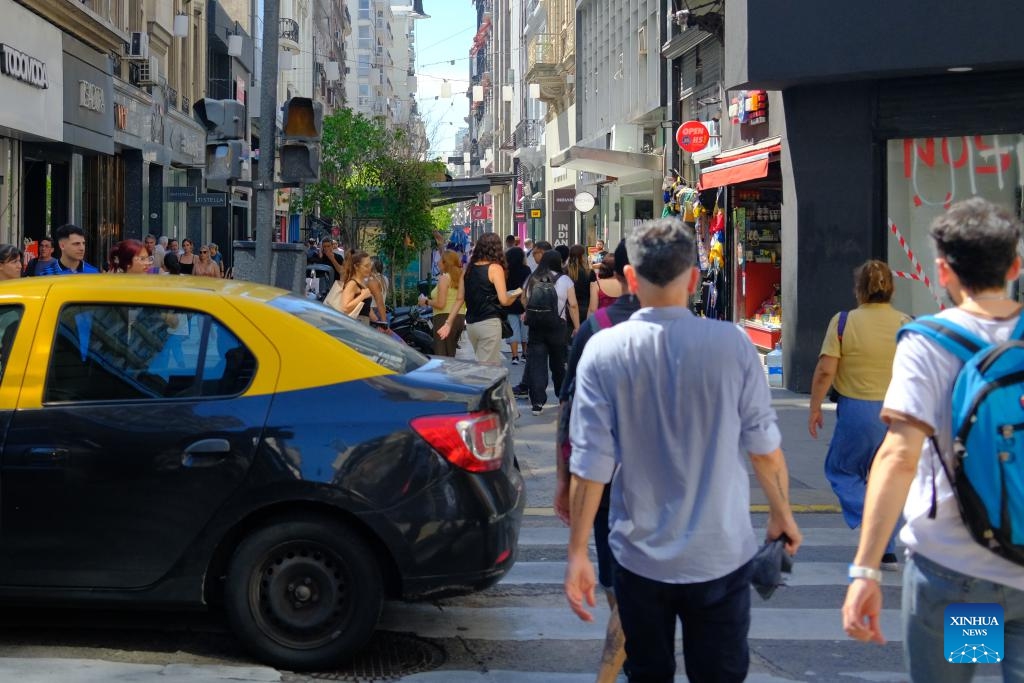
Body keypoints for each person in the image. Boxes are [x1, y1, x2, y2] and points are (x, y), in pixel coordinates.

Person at [564, 217, 801, 683]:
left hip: (638, 557)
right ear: (695, 278)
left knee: (648, 673)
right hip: (721, 556)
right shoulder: (731, 344)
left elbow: (590, 464)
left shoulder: (604, 350)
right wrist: (781, 513)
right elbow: (764, 449)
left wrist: (577, 553)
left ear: (631, 279)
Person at [842, 198, 1024, 681]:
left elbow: (900, 456)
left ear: (942, 271)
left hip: (963, 572)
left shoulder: (929, 342)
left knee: (963, 667)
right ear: (1015, 265)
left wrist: (865, 570)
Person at [556, 239, 638, 683]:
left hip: (606, 481)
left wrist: (563, 478)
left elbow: (568, 410)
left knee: (617, 579)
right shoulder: (703, 335)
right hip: (671, 490)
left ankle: (628, 657)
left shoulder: (597, 329)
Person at [808, 260, 910, 570]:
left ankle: (872, 516)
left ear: (858, 290)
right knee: (889, 479)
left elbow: (826, 369)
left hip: (858, 411)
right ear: (891, 288)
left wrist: (814, 407)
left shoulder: (843, 322)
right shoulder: (907, 323)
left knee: (842, 470)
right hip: (898, 413)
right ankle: (886, 550)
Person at [438, 232, 521, 363]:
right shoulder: (495, 268)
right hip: (489, 323)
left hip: (472, 325)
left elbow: (460, 299)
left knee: (489, 365)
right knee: (486, 370)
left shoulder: (468, 270)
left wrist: (448, 323)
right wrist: (516, 293)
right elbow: (504, 300)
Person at [521, 250, 579, 416]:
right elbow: (573, 305)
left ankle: (537, 403)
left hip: (536, 327)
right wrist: (576, 326)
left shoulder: (532, 278)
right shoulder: (565, 280)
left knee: (537, 364)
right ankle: (562, 397)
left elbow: (523, 299)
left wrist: (531, 312)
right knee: (558, 364)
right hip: (557, 326)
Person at [422, 250, 466, 357]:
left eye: (440, 260)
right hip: (459, 317)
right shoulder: (462, 276)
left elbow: (441, 304)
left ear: (445, 263)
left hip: (444, 318)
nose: (437, 262)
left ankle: (445, 374)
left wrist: (426, 301)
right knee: (450, 354)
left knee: (442, 356)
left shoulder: (444, 278)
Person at [503, 246, 532, 364]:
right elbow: (528, 286)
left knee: (513, 330)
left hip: (509, 302)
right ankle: (525, 354)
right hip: (523, 302)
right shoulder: (526, 269)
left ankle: (515, 356)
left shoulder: (505, 270)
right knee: (525, 329)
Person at [339, 250, 375, 324]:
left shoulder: (361, 283)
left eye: (370, 265)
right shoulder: (352, 284)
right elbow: (345, 307)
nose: (369, 268)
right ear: (356, 266)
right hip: (355, 326)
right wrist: (362, 296)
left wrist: (379, 322)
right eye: (366, 266)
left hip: (362, 325)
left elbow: (366, 308)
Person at [567, 244, 595, 329]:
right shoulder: (589, 272)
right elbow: (593, 294)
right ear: (582, 256)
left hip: (568, 311)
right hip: (586, 310)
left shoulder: (565, 272)